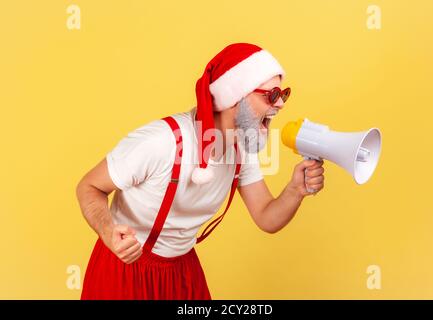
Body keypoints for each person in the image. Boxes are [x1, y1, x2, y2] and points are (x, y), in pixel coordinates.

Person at [76, 43, 325, 300]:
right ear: (234, 97)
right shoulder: (161, 143)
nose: (281, 104)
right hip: (124, 269)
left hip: (182, 272)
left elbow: (266, 217)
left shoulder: (241, 149)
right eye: (271, 94)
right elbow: (89, 186)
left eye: (283, 93)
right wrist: (108, 232)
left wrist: (296, 190)